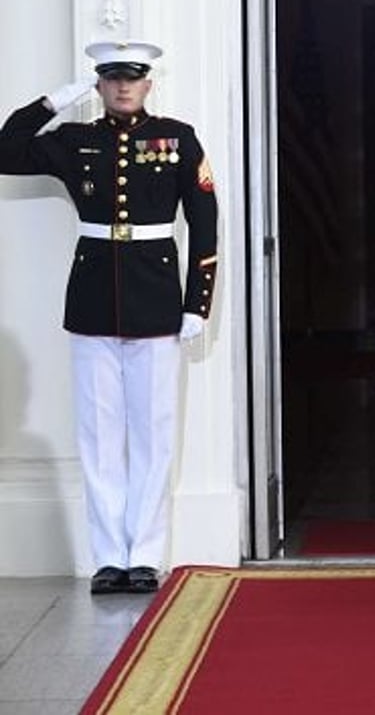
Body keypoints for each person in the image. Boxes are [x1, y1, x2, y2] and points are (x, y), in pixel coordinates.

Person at [0, 41, 218, 595]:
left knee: (152, 434)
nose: (123, 88)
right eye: (111, 79)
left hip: (155, 302)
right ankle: (107, 559)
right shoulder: (76, 141)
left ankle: (144, 555)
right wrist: (52, 102)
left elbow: (205, 224)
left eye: (133, 78)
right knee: (99, 436)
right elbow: (6, 151)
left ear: (149, 84)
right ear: (97, 87)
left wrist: (197, 303)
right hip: (94, 301)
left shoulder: (177, 139)